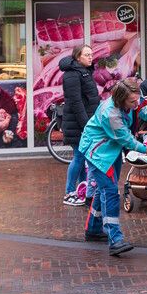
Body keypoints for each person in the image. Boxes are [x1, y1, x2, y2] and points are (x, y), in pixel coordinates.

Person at [80, 77, 147, 256]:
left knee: (103, 190)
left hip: (111, 150)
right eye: (132, 101)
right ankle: (115, 239)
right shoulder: (110, 114)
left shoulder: (131, 100)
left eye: (136, 99)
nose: (135, 103)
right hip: (99, 153)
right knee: (110, 193)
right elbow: (127, 140)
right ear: (121, 100)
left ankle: (93, 229)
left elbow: (141, 109)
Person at [60, 44, 101, 206]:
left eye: (91, 54)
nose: (91, 57)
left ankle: (82, 190)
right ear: (78, 57)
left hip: (85, 122)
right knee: (78, 156)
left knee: (83, 157)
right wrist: (86, 125)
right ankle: (69, 192)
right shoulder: (72, 75)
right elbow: (76, 102)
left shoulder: (84, 72)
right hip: (78, 124)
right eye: (87, 55)